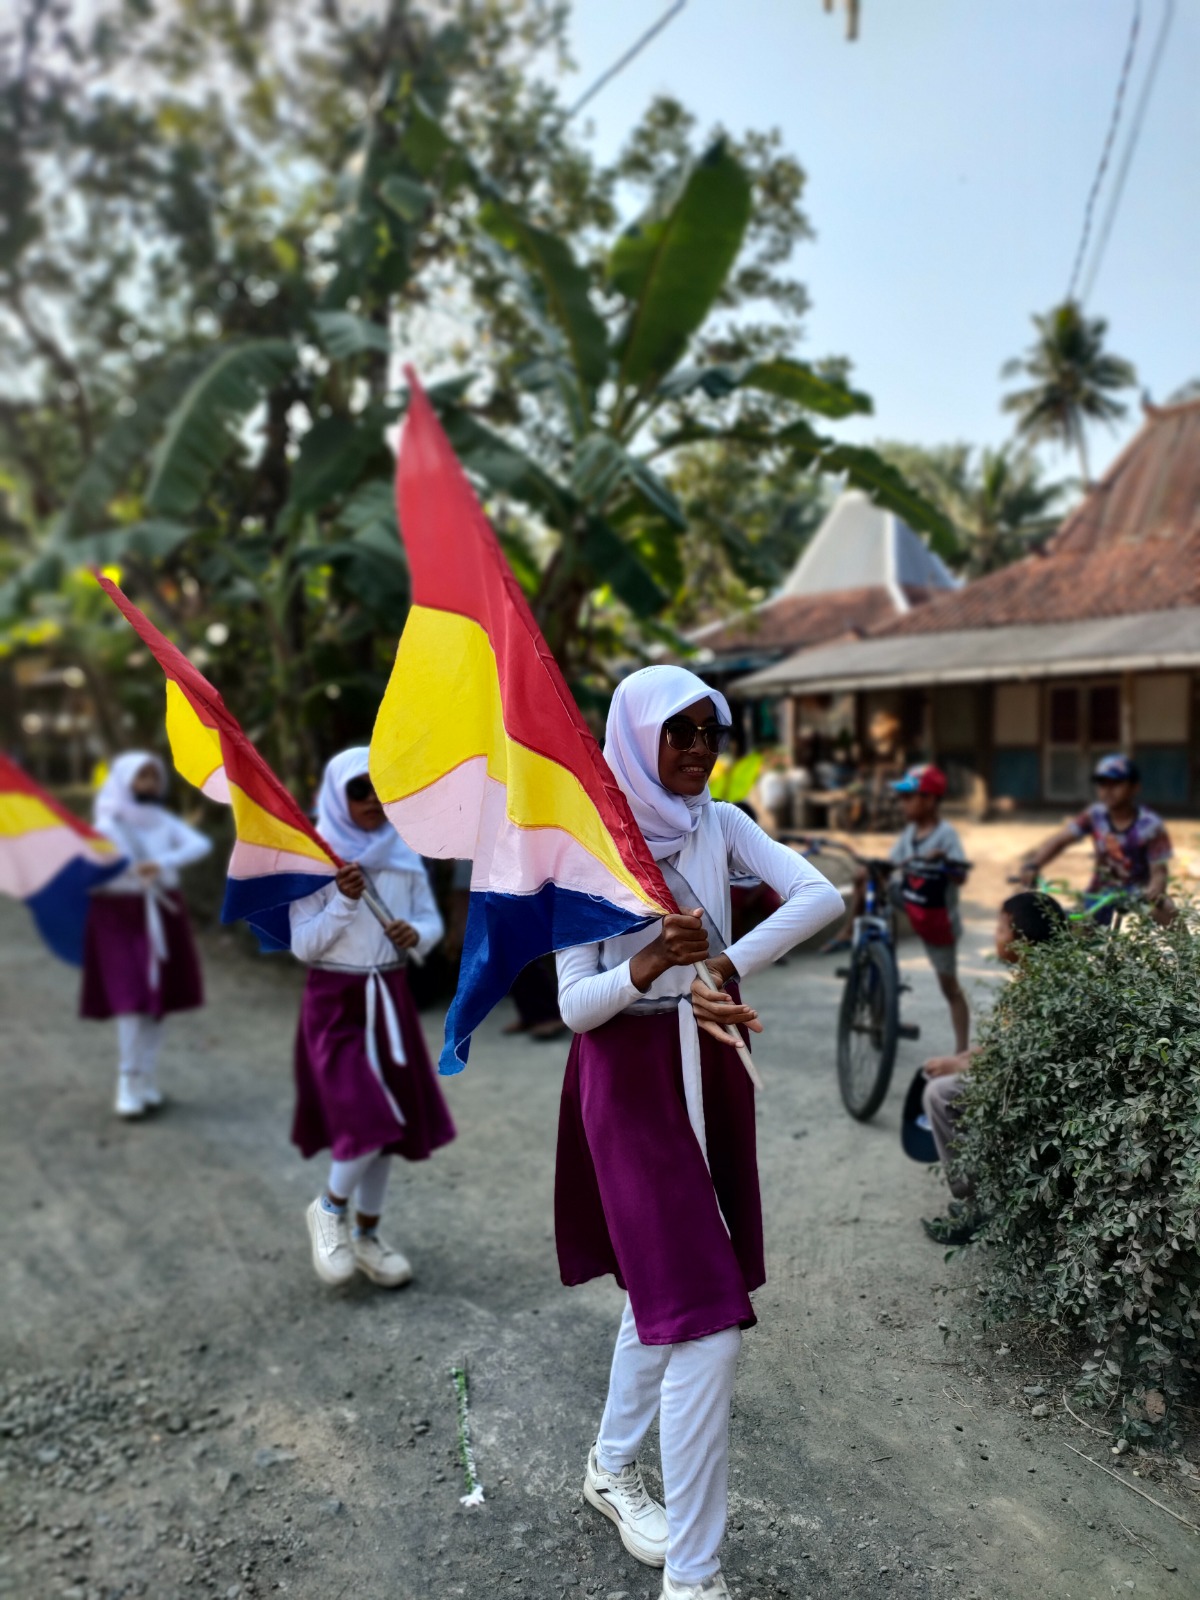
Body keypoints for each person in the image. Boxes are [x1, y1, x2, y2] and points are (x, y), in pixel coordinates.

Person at [554, 665, 844, 1600]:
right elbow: (573, 1008)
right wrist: (646, 966)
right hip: (629, 1086)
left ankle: (608, 1468)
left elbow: (819, 897)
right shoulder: (589, 843)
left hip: (708, 1066)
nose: (696, 750)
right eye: (676, 734)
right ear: (637, 737)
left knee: (662, 1294)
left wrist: (718, 960)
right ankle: (696, 1579)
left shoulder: (718, 822)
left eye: (707, 732)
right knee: (708, 1323)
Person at [290, 749, 455, 1290]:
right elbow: (303, 945)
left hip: (391, 994)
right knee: (367, 1116)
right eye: (359, 790)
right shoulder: (313, 857)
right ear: (338, 792)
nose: (372, 802)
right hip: (335, 1000)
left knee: (391, 1125)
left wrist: (416, 933)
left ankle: (367, 1235)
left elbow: (429, 921)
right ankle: (329, 1208)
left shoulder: (402, 850)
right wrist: (340, 900)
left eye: (381, 790)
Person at [920, 890, 1067, 1245]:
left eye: (1001, 929)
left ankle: (975, 1206)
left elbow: (1014, 1057)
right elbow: (1005, 1045)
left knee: (940, 1095)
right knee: (947, 1081)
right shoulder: (1036, 974)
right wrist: (959, 1060)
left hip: (1035, 1090)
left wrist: (963, 1066)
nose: (995, 937)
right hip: (1023, 1076)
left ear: (1024, 940)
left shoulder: (1040, 986)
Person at [80, 751, 211, 1118]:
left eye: (154, 777)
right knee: (131, 999)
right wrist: (127, 874)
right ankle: (127, 1080)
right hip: (118, 917)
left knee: (159, 999)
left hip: (163, 911)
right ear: (124, 781)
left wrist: (162, 863)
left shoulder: (163, 820)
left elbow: (200, 845)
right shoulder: (107, 827)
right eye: (141, 777)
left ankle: (147, 1079)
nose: (149, 785)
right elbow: (89, 872)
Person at [824, 764, 971, 1052]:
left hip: (936, 916)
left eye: (909, 797)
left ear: (930, 800)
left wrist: (943, 861)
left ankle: (962, 1051)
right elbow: (891, 868)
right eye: (901, 797)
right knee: (867, 877)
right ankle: (865, 943)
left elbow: (961, 875)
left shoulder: (945, 835)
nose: (902, 803)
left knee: (949, 987)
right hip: (909, 897)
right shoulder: (909, 834)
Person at [1018, 754, 1175, 925]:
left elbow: (1159, 870)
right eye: (1102, 783)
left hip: (1138, 893)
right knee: (1066, 930)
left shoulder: (1150, 825)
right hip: (1099, 893)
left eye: (1116, 783)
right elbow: (1059, 840)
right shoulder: (1095, 815)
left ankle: (1188, 951)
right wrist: (1033, 865)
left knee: (1166, 908)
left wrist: (1156, 889)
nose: (1108, 789)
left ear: (1134, 787)